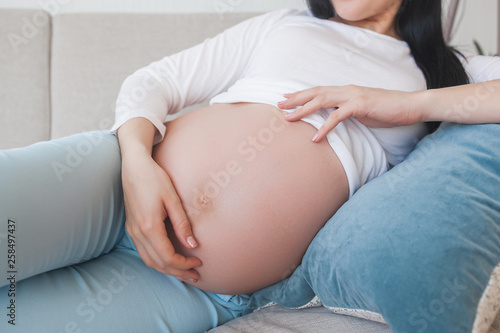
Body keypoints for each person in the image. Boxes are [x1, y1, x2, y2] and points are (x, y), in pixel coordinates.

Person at [1, 0, 499, 332]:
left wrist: (408, 104)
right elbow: (156, 81)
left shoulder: (449, 73)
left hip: (191, 287)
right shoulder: (286, 24)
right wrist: (135, 163)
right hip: (108, 189)